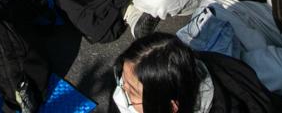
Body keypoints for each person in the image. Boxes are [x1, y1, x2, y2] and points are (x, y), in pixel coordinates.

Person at [113, 32, 272, 113]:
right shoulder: (179, 68)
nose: (122, 91)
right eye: (123, 81)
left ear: (172, 108)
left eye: (131, 92)